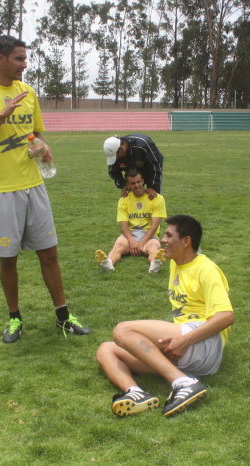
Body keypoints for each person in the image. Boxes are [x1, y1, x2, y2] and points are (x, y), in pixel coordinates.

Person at [0, 35, 91, 343]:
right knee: (9, 258)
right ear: (0, 59)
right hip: (1, 191)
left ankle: (63, 316)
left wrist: (44, 149)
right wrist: (1, 118)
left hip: (34, 186)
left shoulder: (28, 92)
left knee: (50, 254)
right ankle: (15, 319)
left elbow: (37, 135)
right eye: (19, 58)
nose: (24, 64)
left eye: (25, 58)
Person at [96, 215, 234, 417]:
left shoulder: (206, 269)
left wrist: (184, 341)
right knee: (106, 349)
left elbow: (226, 316)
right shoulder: (176, 264)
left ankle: (184, 383)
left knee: (123, 330)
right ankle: (136, 394)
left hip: (205, 344)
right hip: (188, 346)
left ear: (186, 241)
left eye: (169, 235)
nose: (163, 240)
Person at [95, 169, 167, 273]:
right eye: (133, 183)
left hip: (149, 235)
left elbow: (154, 226)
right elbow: (123, 225)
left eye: (139, 182)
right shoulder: (123, 200)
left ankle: (154, 265)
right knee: (118, 244)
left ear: (143, 181)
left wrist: (142, 242)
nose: (137, 185)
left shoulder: (157, 198)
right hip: (130, 235)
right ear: (128, 185)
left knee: (154, 247)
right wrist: (132, 241)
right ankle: (109, 263)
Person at [103, 134, 164, 200]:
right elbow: (113, 172)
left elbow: (156, 166)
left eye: (116, 156)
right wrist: (124, 185)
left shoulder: (142, 145)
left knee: (153, 200)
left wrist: (152, 186)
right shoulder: (115, 152)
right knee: (132, 203)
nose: (116, 159)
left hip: (150, 173)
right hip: (131, 178)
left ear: (121, 149)